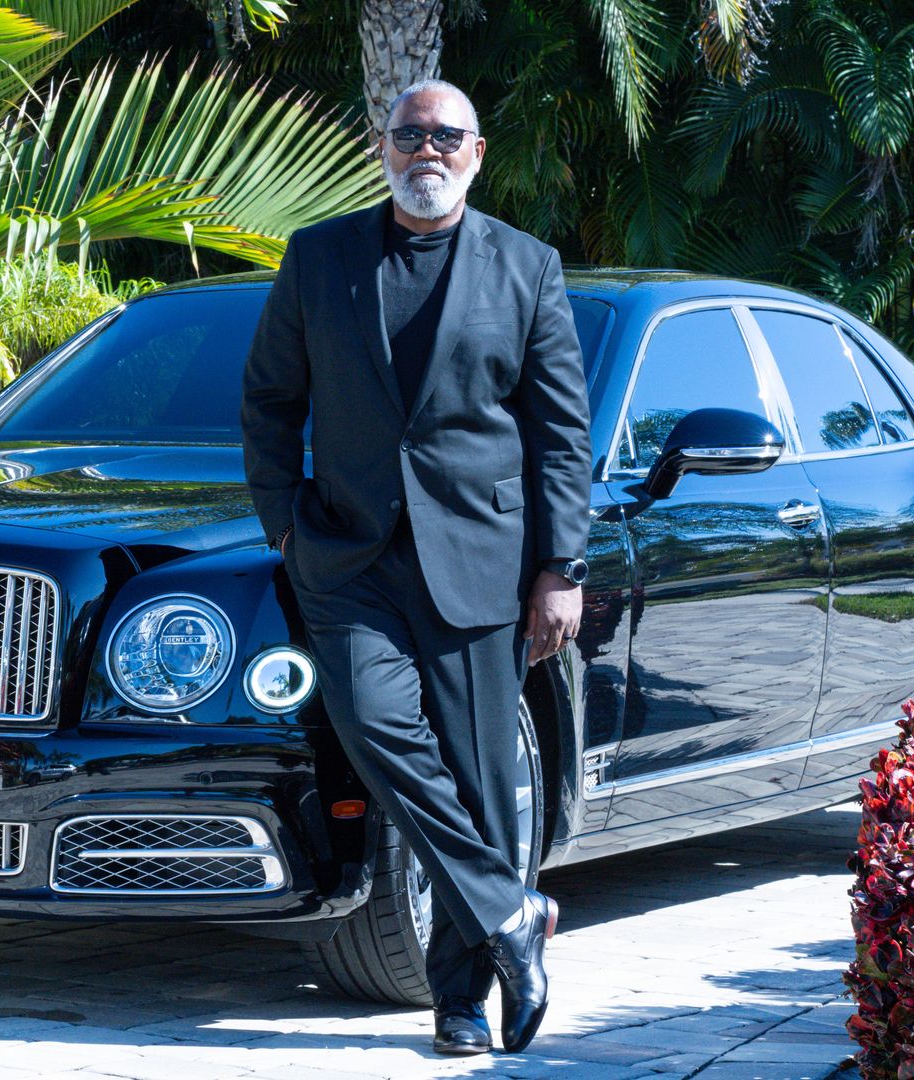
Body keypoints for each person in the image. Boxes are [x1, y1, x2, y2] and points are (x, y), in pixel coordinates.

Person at [238, 77, 591, 1055]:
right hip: (346, 562)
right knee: (378, 730)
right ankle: (513, 913)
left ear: (476, 154)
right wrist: (283, 525)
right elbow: (269, 398)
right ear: (382, 148)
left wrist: (559, 568)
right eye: (409, 135)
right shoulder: (319, 258)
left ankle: (464, 1000)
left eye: (446, 136)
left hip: (479, 563)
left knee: (480, 782)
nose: (425, 150)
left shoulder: (525, 267)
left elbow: (561, 435)